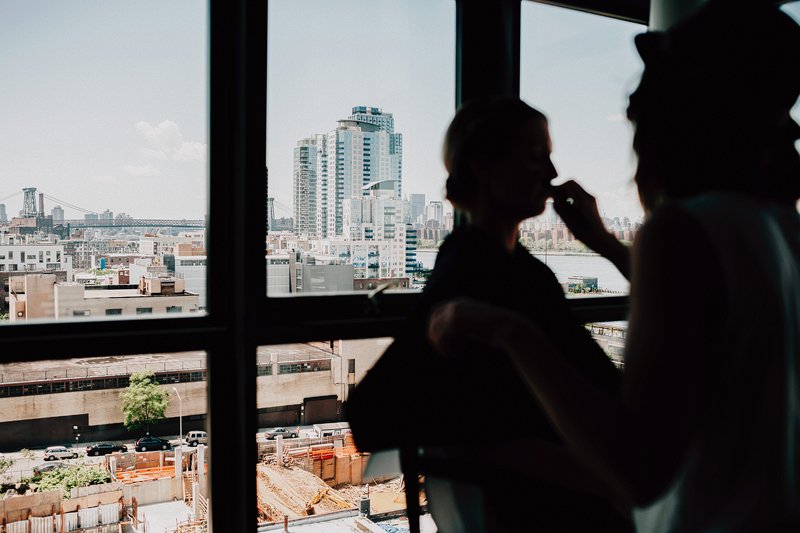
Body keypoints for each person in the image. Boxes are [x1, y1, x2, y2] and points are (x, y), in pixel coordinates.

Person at [429, 1, 800, 531]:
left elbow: (638, 467)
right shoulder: (782, 231)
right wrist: (606, 244)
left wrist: (510, 332)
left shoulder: (677, 235)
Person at [347, 97, 632, 531]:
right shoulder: (491, 272)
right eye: (537, 157)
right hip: (549, 510)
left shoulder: (491, 265)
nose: (552, 174)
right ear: (484, 166)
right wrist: (510, 449)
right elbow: (374, 410)